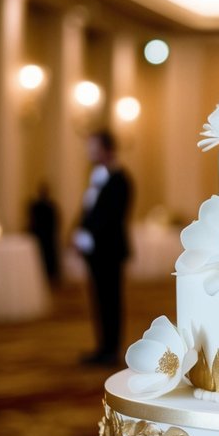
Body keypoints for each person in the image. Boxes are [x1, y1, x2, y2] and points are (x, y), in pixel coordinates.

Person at [74, 129, 133, 365]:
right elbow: (89, 210)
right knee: (99, 300)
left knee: (111, 300)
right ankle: (103, 347)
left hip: (110, 251)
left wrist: (88, 234)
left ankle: (112, 349)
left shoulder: (120, 179)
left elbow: (111, 217)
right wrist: (78, 233)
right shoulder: (97, 177)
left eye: (93, 146)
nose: (89, 151)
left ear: (107, 149)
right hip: (96, 252)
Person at [27, 182, 60, 286]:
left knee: (48, 258)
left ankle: (51, 277)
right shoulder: (36, 205)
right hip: (39, 237)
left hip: (47, 237)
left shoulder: (50, 206)